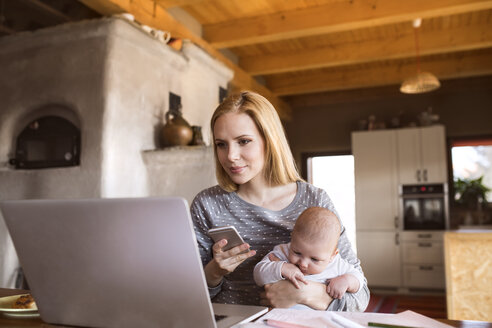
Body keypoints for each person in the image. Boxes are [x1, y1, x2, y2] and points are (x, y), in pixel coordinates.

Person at [191, 91, 369, 311]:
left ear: (270, 140)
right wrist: (214, 272)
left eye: (244, 141)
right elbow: (188, 296)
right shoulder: (207, 204)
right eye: (221, 144)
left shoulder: (315, 200)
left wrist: (307, 294)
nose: (231, 156)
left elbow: (360, 298)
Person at [253, 207, 365, 309]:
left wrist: (346, 281)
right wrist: (282, 267)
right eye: (297, 252)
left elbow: (359, 279)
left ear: (332, 255)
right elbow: (258, 274)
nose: (303, 264)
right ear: (292, 239)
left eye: (314, 259)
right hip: (279, 318)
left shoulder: (337, 264)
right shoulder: (283, 252)